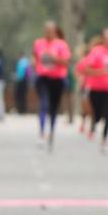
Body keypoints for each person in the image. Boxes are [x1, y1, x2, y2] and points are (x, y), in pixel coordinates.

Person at [77, 29, 108, 154]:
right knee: (97, 115)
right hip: (95, 88)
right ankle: (94, 123)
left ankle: (104, 142)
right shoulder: (96, 52)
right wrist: (102, 72)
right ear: (103, 39)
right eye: (107, 38)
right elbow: (86, 69)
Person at [32, 21, 71, 150]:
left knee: (54, 107)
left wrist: (54, 59)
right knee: (44, 104)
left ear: (55, 31)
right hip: (43, 78)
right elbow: (35, 57)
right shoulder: (38, 43)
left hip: (57, 79)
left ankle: (52, 130)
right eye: (46, 30)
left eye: (51, 30)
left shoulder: (61, 45)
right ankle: (42, 132)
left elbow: (66, 62)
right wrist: (34, 65)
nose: (48, 33)